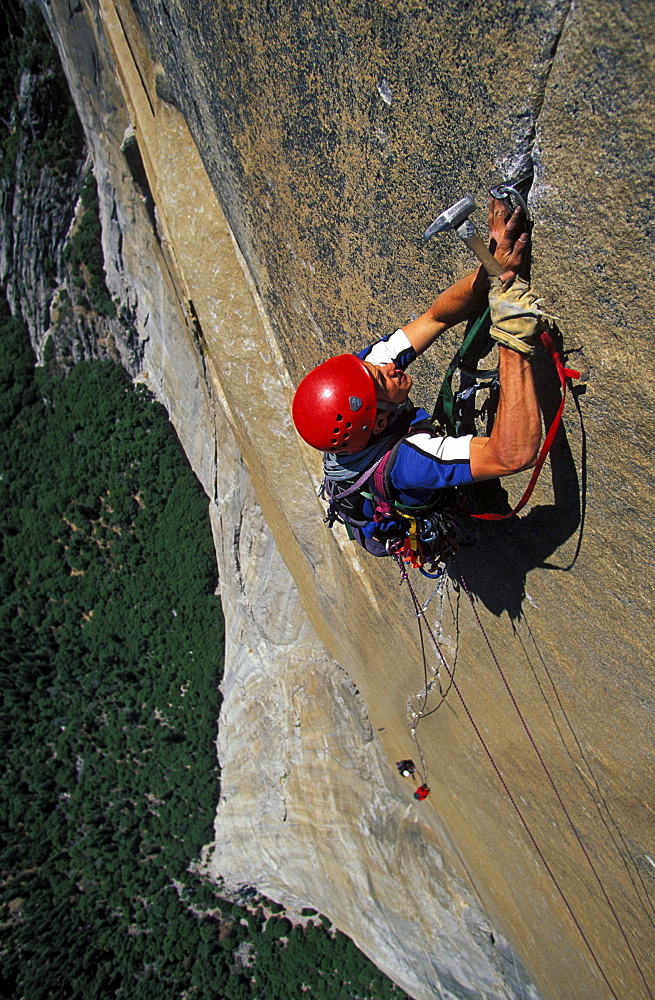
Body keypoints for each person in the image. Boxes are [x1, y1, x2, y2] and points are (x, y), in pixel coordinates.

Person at [291, 199, 544, 561]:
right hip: (407, 485)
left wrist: (491, 271)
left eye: (373, 368)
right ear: (378, 421)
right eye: (382, 381)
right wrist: (513, 334)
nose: (389, 368)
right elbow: (511, 456)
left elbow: (436, 318)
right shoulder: (411, 463)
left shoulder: (365, 376)